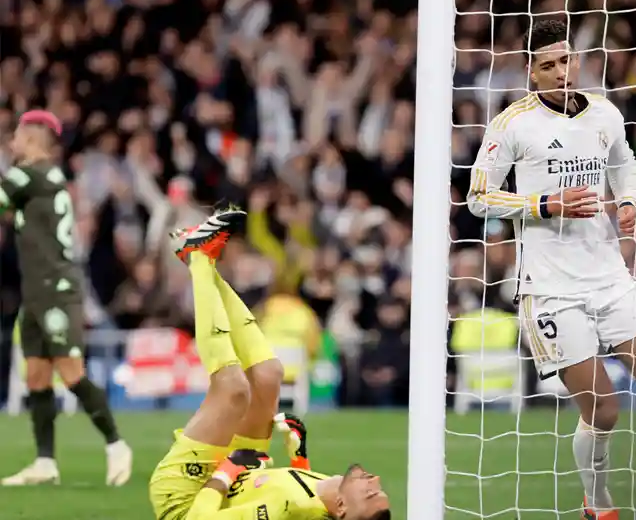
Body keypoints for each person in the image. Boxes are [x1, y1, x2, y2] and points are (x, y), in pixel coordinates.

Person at [466, 20, 636, 520]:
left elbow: (623, 163)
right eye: (549, 66)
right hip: (551, 290)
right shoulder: (512, 125)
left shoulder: (604, 113)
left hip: (609, 278)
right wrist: (546, 203)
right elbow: (478, 198)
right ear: (531, 73)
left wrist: (628, 199)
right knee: (603, 410)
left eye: (566, 61)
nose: (562, 73)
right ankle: (598, 505)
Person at [148, 208, 391, 520]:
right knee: (268, 374)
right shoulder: (329, 496)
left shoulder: (288, 510)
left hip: (185, 495)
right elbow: (295, 486)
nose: (375, 480)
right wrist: (298, 455)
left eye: (370, 492)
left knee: (234, 390)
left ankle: (200, 259)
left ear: (343, 508)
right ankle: (198, 257)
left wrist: (227, 470)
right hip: (239, 477)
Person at [0, 110, 133, 487]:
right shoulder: (52, 177)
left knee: (70, 373)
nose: (11, 144)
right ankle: (45, 462)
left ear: (31, 140)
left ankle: (116, 443)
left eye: (17, 137)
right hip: (38, 292)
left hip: (56, 291)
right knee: (38, 376)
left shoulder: (28, 175)